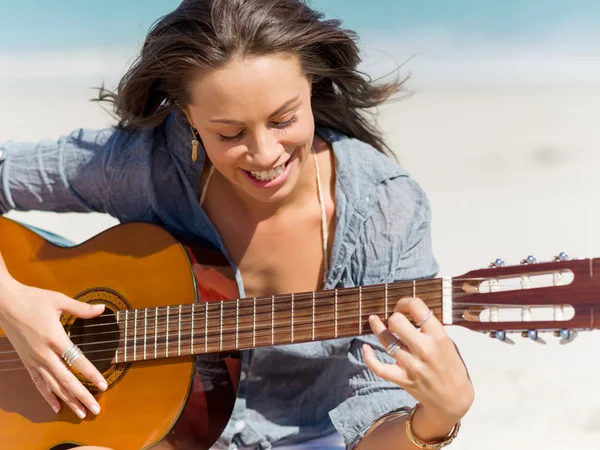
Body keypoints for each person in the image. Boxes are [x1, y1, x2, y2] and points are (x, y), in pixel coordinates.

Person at [0, 0, 474, 449]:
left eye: (284, 118)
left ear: (312, 86)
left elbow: (373, 427)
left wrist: (435, 419)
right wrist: (14, 302)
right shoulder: (142, 166)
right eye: (229, 133)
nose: (266, 154)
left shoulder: (384, 213)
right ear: (187, 118)